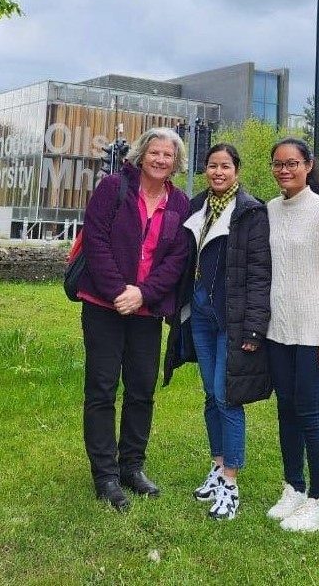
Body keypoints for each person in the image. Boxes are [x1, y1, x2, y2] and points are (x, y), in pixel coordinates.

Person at [78, 127, 189, 511]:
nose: (161, 160)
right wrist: (118, 292)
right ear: (142, 155)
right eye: (155, 153)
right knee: (102, 388)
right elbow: (96, 241)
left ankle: (132, 466)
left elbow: (177, 259)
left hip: (147, 309)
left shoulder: (180, 203)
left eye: (169, 156)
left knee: (142, 388)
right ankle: (105, 474)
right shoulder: (113, 188)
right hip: (103, 305)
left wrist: (143, 293)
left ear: (176, 163)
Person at [164, 143, 272, 520]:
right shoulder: (197, 206)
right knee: (211, 393)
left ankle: (231, 481)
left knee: (228, 395)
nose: (218, 172)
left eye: (225, 166)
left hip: (234, 318)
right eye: (212, 166)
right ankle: (216, 465)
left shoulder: (251, 212)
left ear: (237, 170)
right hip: (201, 315)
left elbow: (260, 273)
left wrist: (256, 327)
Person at [265, 137, 319, 532]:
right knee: (285, 410)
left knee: (309, 414)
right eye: (278, 164)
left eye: (292, 163)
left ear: (308, 165)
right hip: (278, 331)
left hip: (313, 332)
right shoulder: (270, 210)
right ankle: (294, 487)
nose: (285, 169)